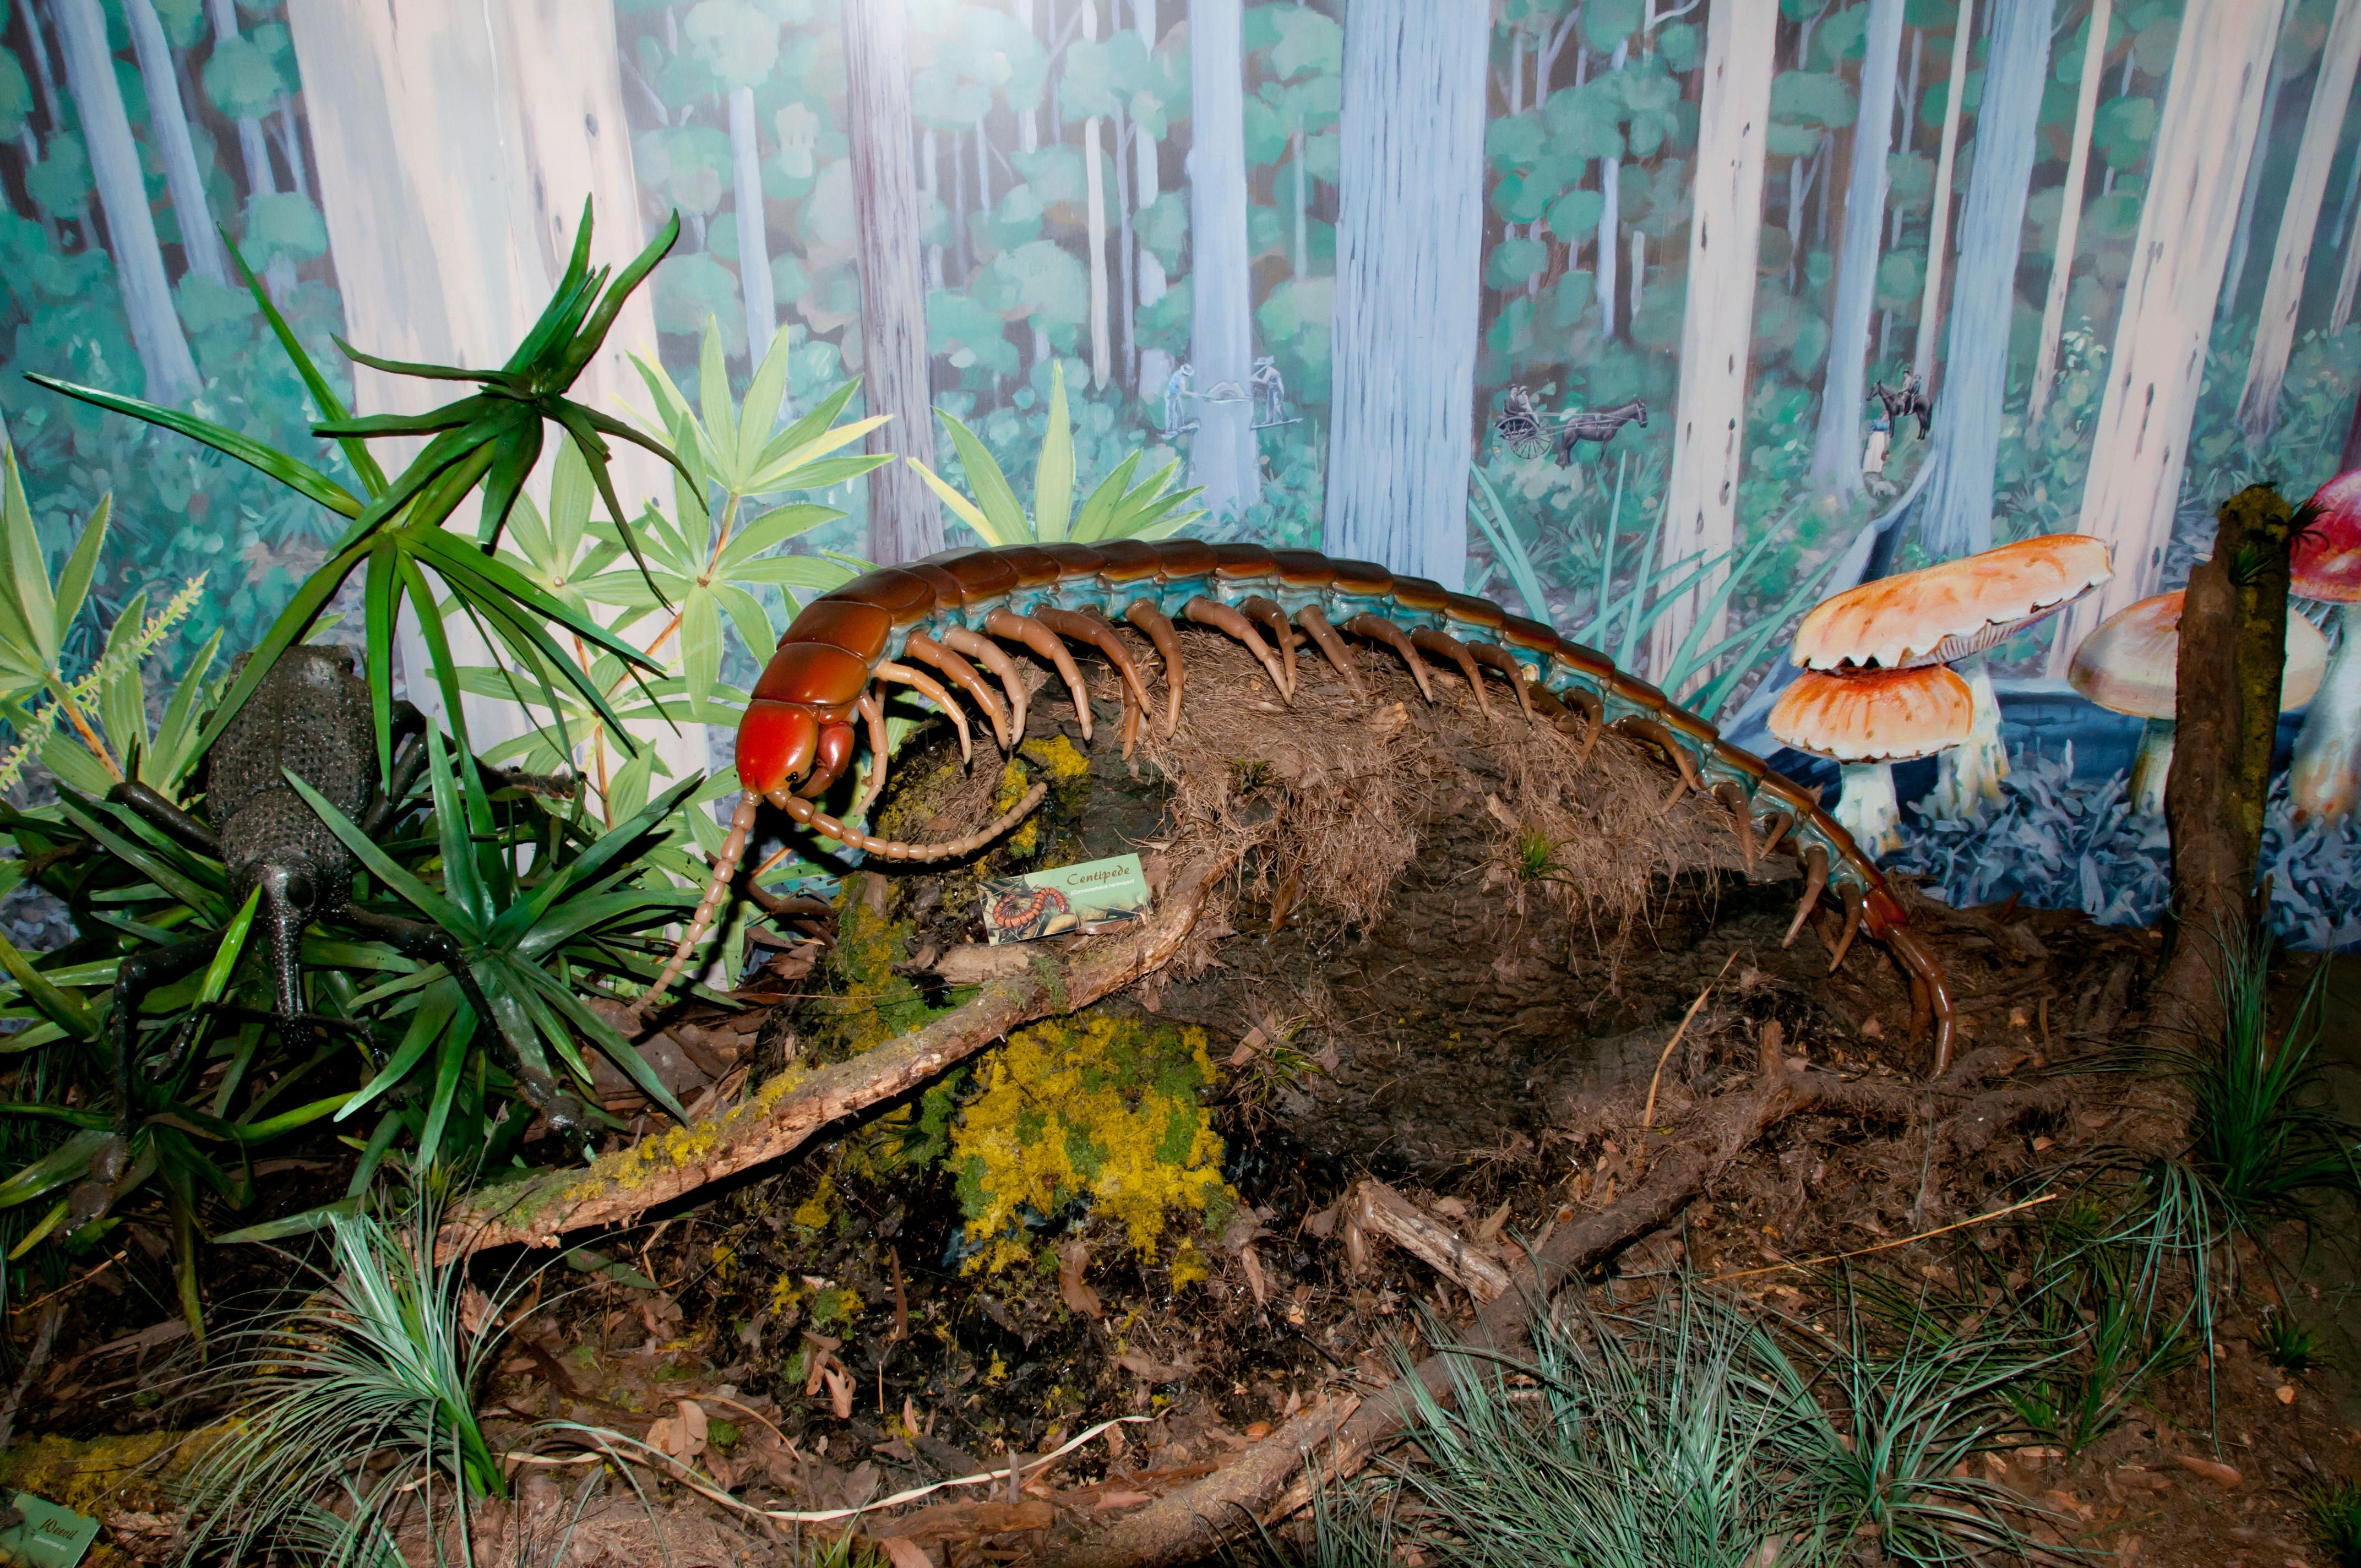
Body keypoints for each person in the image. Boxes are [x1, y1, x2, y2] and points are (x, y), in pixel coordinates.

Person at [1863, 411, 1893, 492]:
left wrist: (1887, 443)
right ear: (1883, 415)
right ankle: (1869, 468)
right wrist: (1870, 440)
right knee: (1872, 452)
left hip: (1881, 439)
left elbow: (1887, 433)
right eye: (1886, 415)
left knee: (1879, 455)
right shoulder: (1876, 422)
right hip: (1875, 437)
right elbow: (1871, 431)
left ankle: (1877, 469)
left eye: (1888, 415)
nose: (1887, 417)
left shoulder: (1887, 423)